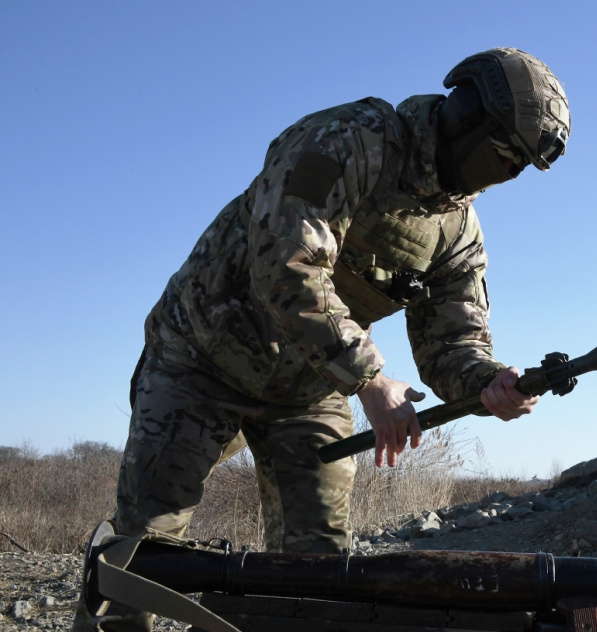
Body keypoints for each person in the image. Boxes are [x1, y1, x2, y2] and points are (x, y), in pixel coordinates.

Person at [74, 47, 570, 631]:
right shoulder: (346, 140)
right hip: (199, 362)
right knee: (143, 550)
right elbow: (288, 266)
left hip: (310, 391)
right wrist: (369, 379)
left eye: (518, 165)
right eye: (503, 155)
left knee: (315, 577)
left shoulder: (457, 230)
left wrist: (490, 383)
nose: (505, 174)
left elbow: (452, 342)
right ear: (466, 119)